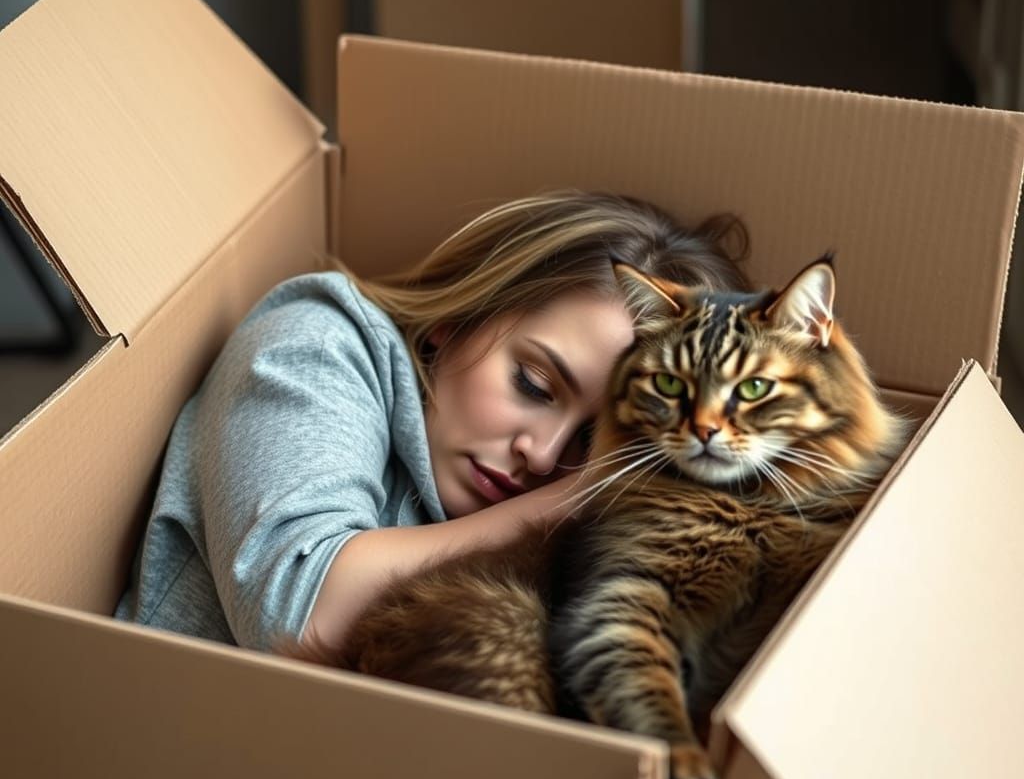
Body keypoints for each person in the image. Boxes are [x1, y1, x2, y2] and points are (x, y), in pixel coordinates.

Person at [115, 190, 751, 653]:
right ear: (459, 319)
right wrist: (583, 491)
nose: (543, 453)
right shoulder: (315, 344)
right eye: (533, 383)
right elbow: (297, 615)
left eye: (593, 441)